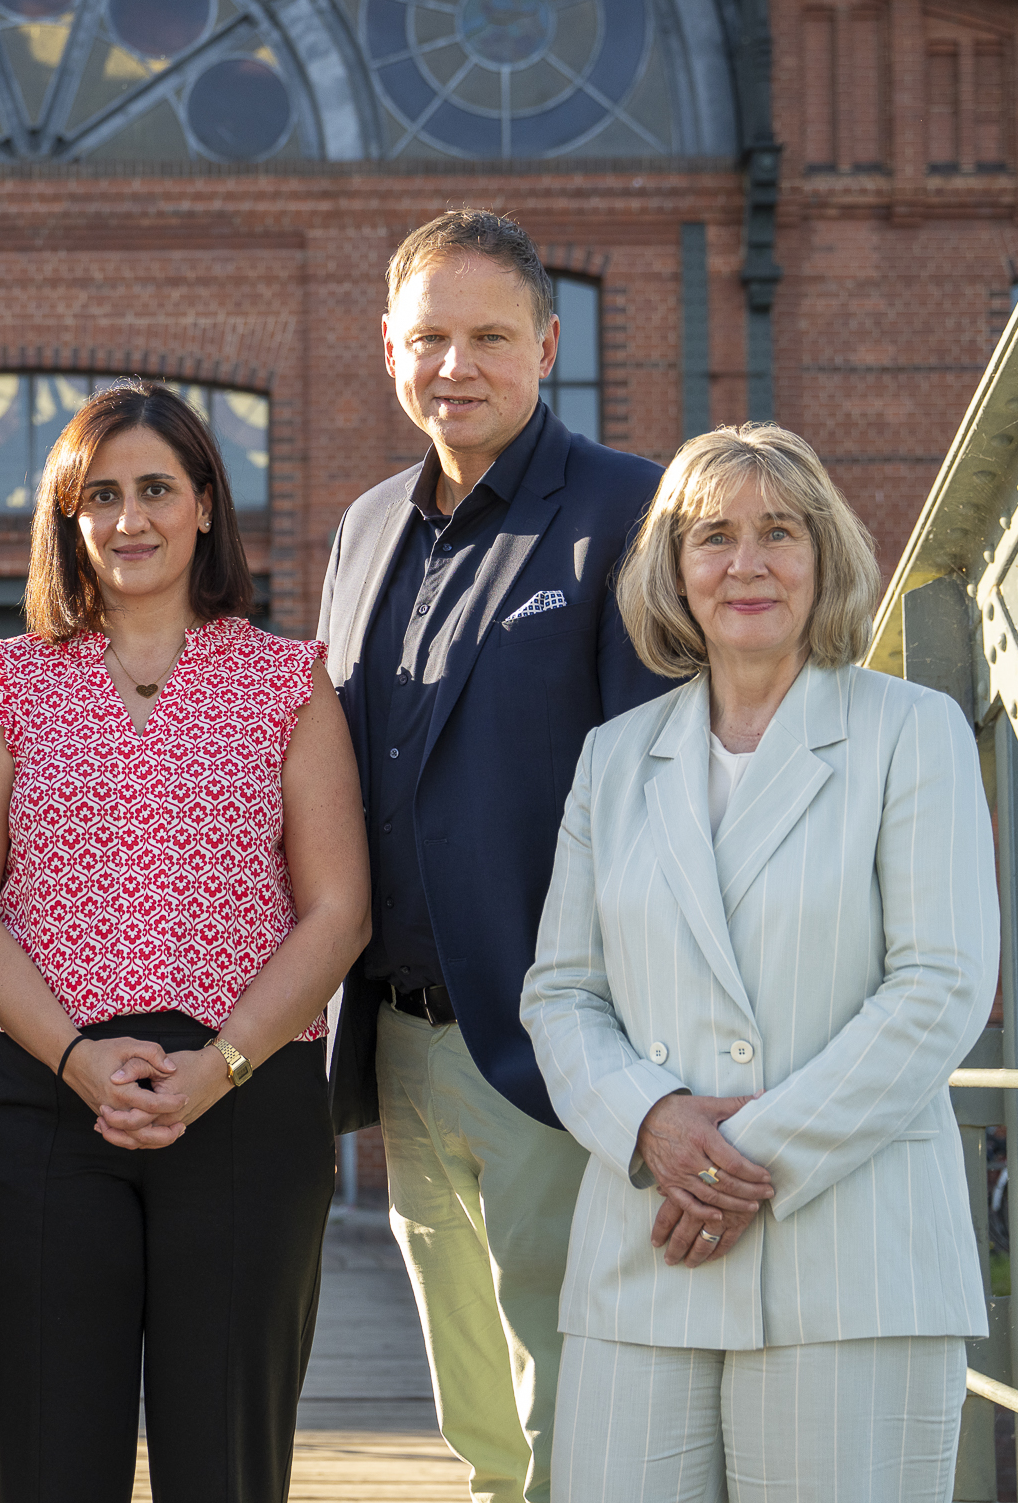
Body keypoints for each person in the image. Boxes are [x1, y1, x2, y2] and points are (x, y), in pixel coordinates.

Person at [519, 423, 996, 1502]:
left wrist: (738, 1156)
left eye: (779, 531)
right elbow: (561, 990)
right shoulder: (615, 756)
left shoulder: (909, 732)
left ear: (823, 553)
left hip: (850, 1258)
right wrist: (651, 1121)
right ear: (672, 568)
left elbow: (942, 986)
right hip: (646, 1250)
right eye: (713, 536)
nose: (747, 563)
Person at [0, 382, 370, 1503]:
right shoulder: (7, 681)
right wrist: (75, 1056)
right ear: (68, 520)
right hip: (37, 1099)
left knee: (225, 1460)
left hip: (242, 1099)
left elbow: (337, 913)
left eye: (158, 489)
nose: (131, 517)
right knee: (51, 1461)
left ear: (208, 505)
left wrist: (218, 1067)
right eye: (101, 494)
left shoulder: (288, 681)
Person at [314, 208, 673, 1502]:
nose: (455, 365)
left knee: (572, 1381)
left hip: (550, 1032)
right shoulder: (364, 532)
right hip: (401, 1036)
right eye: (429, 338)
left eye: (488, 337)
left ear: (549, 344)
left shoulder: (628, 508)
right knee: (472, 1397)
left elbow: (659, 791)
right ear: (389, 350)